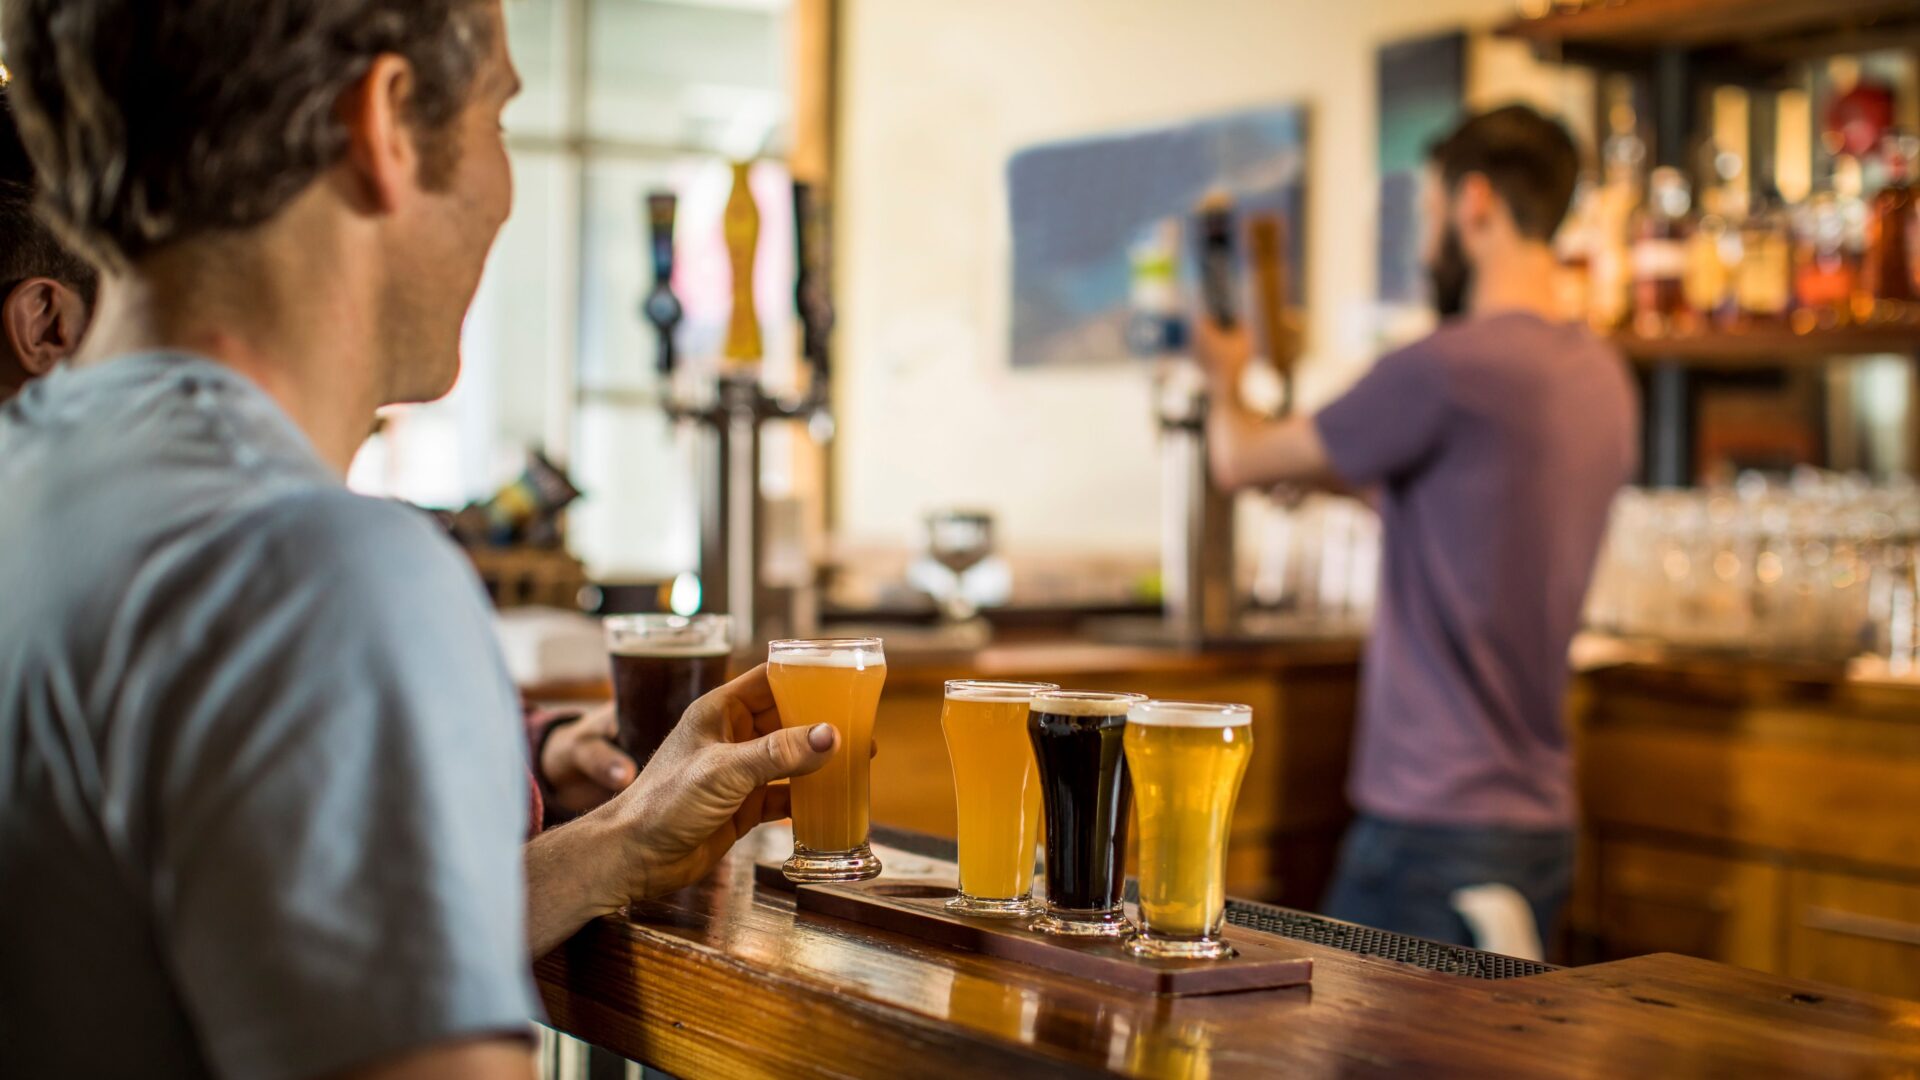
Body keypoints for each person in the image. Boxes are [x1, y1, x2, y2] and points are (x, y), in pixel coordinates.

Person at [0, 4, 840, 1079]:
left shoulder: (41, 487)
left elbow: (226, 961)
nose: (503, 185)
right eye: (498, 115)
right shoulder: (314, 575)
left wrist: (612, 849)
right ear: (387, 124)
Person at [0, 81, 637, 826]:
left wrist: (536, 749)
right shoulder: (265, 567)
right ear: (47, 323)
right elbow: (364, 936)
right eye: (166, 291)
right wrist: (624, 839)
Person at [1194, 105, 1638, 947]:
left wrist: (1224, 374)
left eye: (1430, 218)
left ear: (1476, 205)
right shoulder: (1602, 377)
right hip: (1540, 825)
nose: (1426, 244)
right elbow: (1473, 511)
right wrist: (1342, 484)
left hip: (1431, 826)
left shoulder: (1445, 368)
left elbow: (1239, 459)